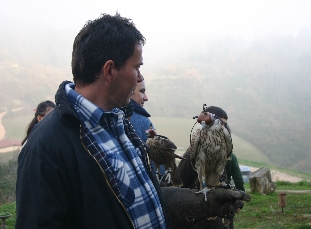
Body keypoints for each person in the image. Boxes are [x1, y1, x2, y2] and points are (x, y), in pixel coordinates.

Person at [16, 13, 248, 229]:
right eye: (137, 67)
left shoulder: (119, 122)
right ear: (109, 71)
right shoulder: (45, 148)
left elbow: (132, 201)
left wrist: (201, 203)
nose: (140, 77)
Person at [177, 106, 245, 229]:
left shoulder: (224, 148)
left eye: (225, 124)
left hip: (221, 219)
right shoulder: (193, 151)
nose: (224, 127)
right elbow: (179, 185)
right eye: (222, 123)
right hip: (200, 221)